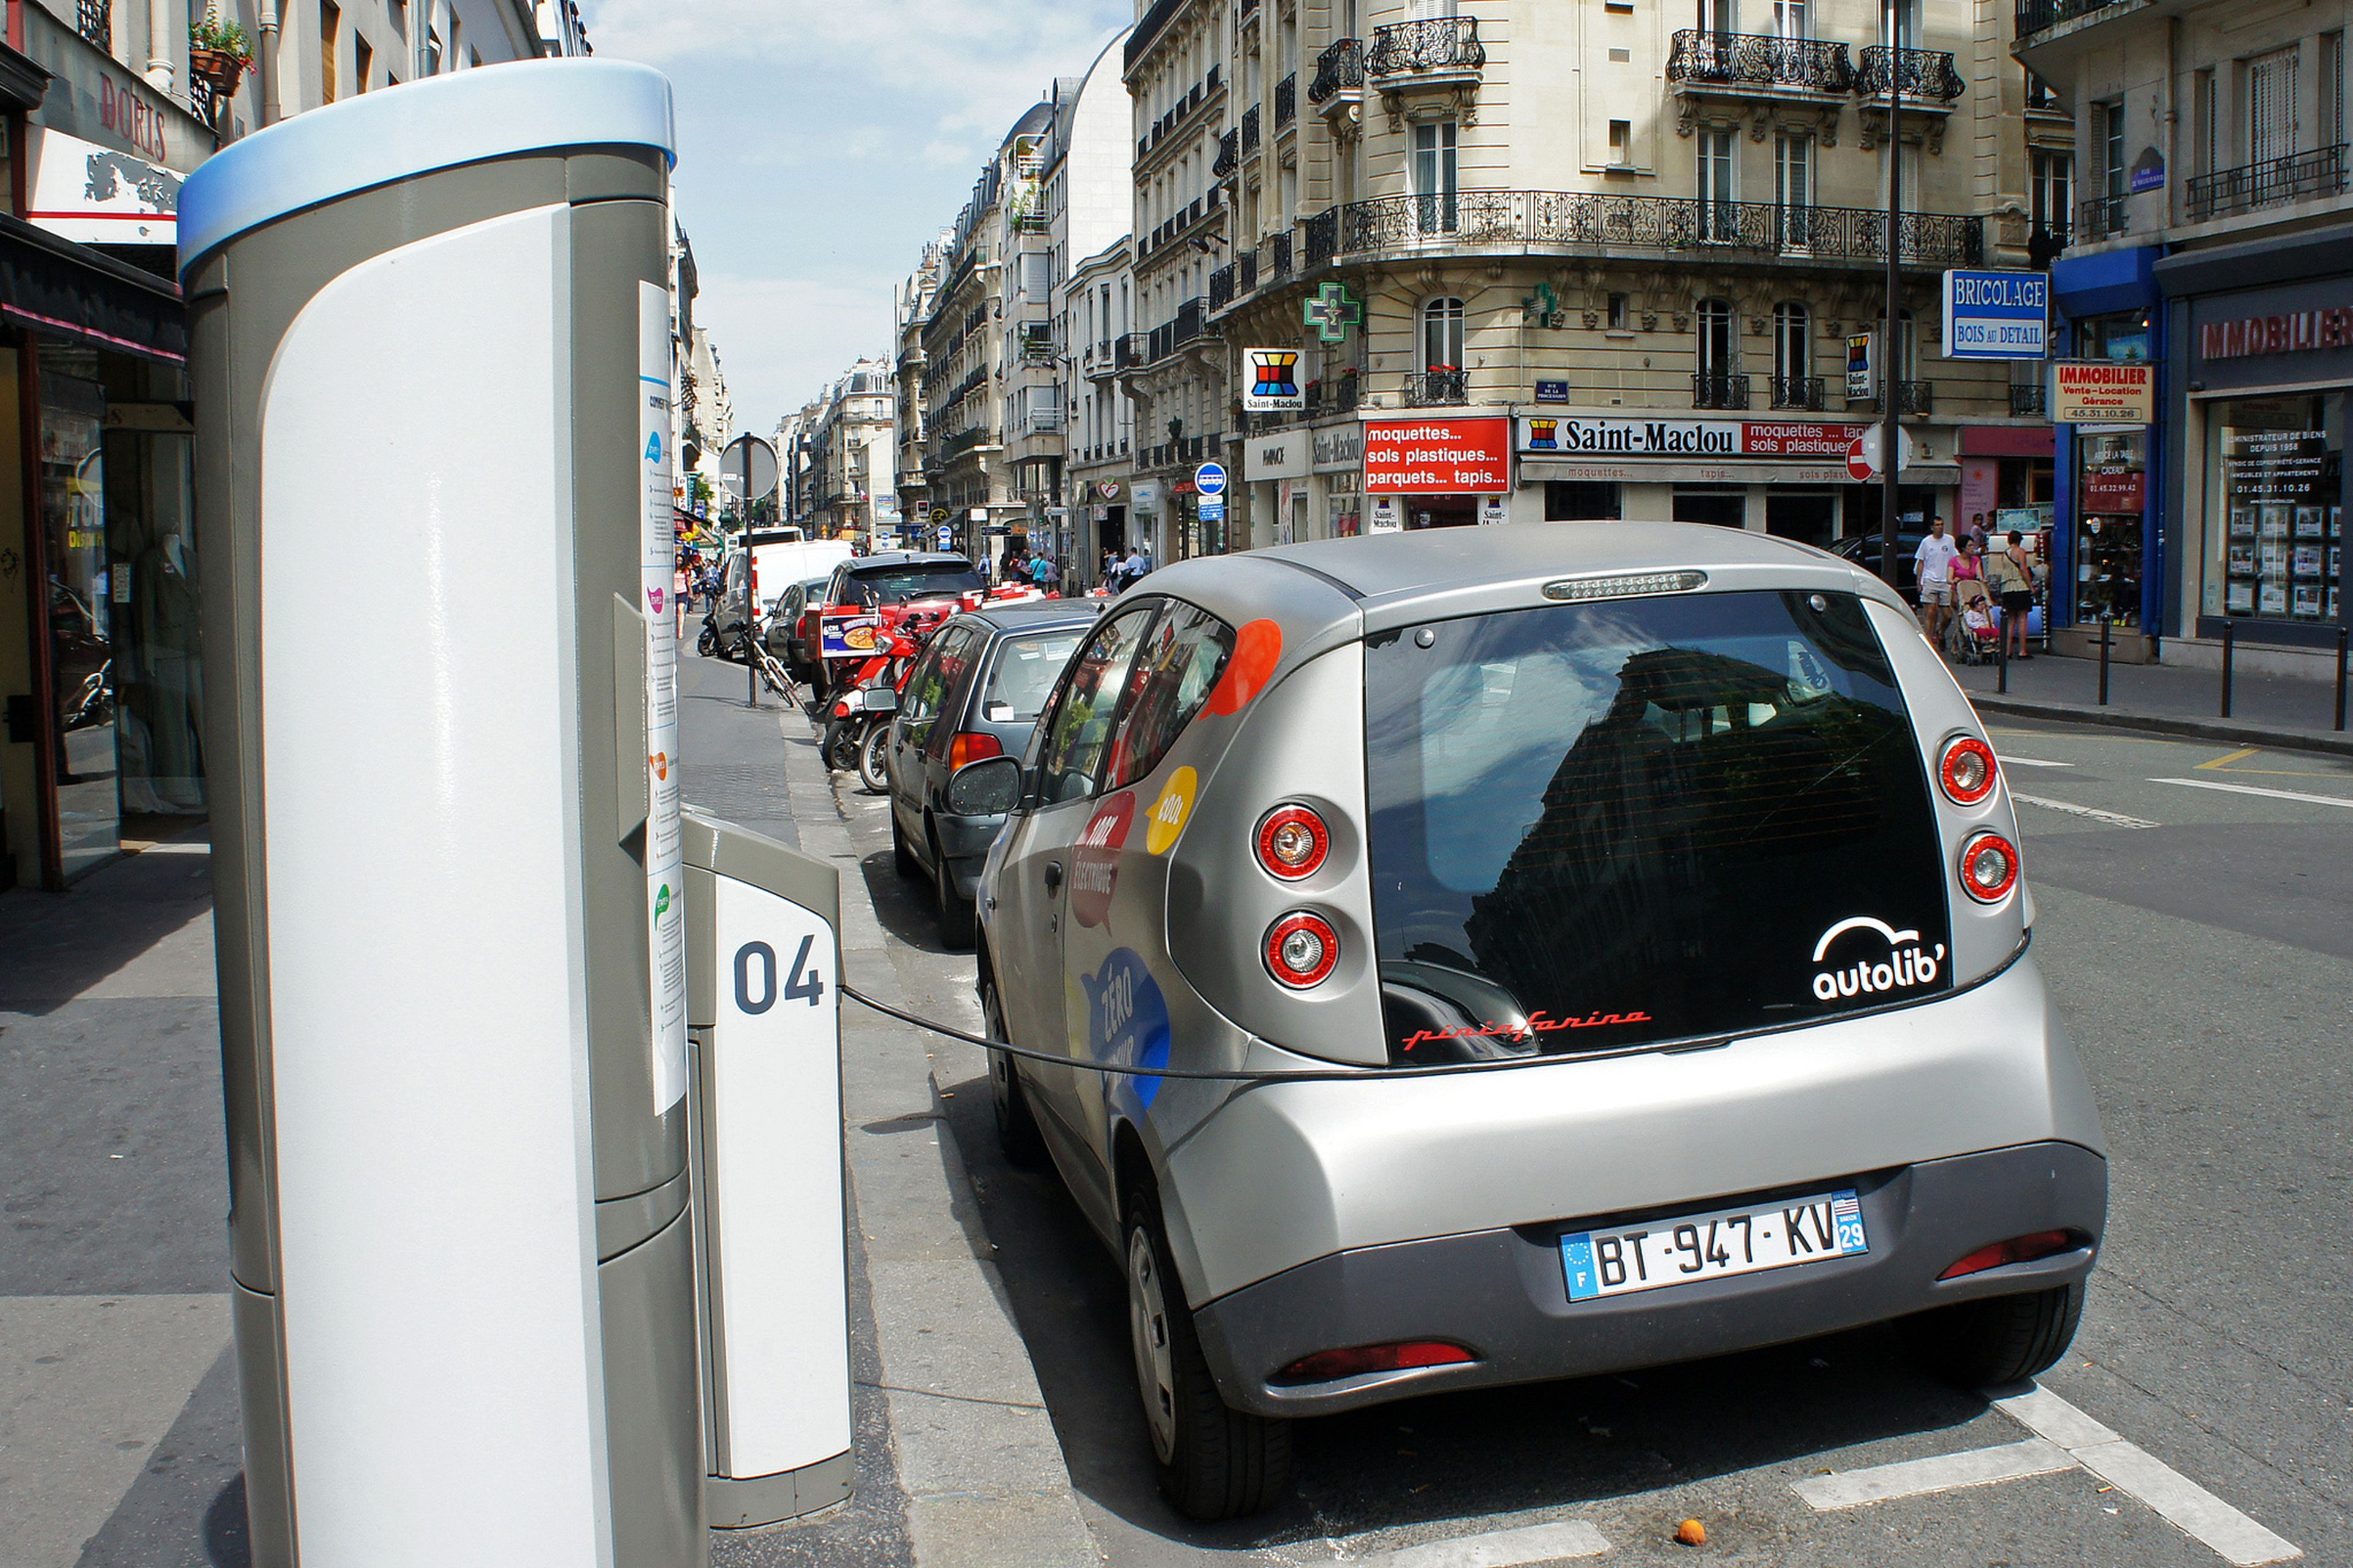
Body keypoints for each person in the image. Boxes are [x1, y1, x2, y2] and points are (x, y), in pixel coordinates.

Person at [1912, 516, 1960, 648]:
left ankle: (1941, 633)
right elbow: (1921, 562)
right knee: (1931, 611)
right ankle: (1928, 641)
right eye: (1937, 525)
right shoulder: (1926, 542)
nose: (1940, 527)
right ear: (1932, 528)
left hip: (1945, 580)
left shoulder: (1950, 540)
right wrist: (1919, 581)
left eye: (1942, 524)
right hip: (1930, 579)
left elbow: (1955, 559)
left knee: (1947, 614)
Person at [1991, 529, 2039, 661]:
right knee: (2023, 618)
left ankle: (2007, 651)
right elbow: (2023, 570)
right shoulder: (2021, 552)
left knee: (2011, 620)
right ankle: (2022, 651)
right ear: (2020, 540)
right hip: (2020, 587)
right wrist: (2031, 587)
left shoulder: (2005, 554)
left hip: (2007, 588)